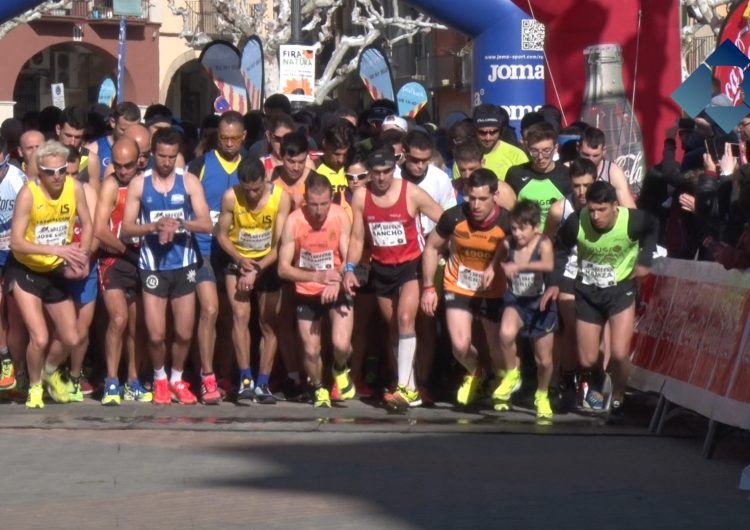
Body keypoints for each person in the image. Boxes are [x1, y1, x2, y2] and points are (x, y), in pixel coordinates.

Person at [343, 147, 443, 409]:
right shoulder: (361, 197)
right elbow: (356, 237)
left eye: (386, 172)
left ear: (393, 170)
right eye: (376, 173)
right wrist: (350, 268)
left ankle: (403, 387)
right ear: (369, 174)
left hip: (411, 265)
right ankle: (409, 386)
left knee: (406, 318)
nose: (381, 178)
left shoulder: (411, 192)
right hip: (382, 267)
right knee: (395, 329)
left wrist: (435, 249)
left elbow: (445, 220)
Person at [120, 127, 212, 405]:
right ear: (152, 155)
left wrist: (181, 223)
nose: (167, 162)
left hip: (183, 264)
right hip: (152, 267)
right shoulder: (139, 183)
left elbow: (207, 224)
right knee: (156, 333)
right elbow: (126, 230)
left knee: (184, 332)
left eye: (172, 157)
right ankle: (159, 378)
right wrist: (153, 226)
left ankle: (176, 378)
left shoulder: (189, 182)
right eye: (161, 156)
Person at [553, 181, 658, 424]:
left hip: (620, 291)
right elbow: (560, 248)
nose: (596, 216)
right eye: (592, 210)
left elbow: (653, 225)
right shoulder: (577, 222)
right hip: (588, 292)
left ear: (615, 206)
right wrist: (555, 281)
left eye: (602, 210)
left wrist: (645, 257)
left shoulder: (632, 220)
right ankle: (600, 387)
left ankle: (619, 400)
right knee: (588, 360)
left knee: (620, 354)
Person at [8, 140, 93, 409]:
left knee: (71, 336)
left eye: (62, 171)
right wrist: (56, 248)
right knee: (40, 337)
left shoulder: (75, 187)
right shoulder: (28, 194)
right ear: (39, 172)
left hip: (56, 269)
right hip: (26, 270)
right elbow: (16, 242)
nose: (57, 177)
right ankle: (33, 386)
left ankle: (48, 371)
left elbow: (88, 224)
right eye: (49, 171)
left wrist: (83, 255)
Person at [420, 168, 511, 406]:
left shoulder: (508, 220)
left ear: (495, 196)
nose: (476, 205)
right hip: (458, 285)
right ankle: (476, 372)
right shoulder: (454, 217)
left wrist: (498, 267)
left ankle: (500, 385)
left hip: (494, 290)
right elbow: (431, 248)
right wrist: (428, 286)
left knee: (496, 346)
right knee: (460, 347)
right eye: (471, 198)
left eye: (482, 199)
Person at [215, 156, 291, 403]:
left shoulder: (280, 198)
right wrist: (239, 261)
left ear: (265, 180)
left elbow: (281, 245)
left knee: (268, 323)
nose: (252, 195)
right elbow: (222, 235)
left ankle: (263, 382)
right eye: (247, 190)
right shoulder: (231, 197)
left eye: (257, 189)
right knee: (240, 317)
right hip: (238, 259)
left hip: (266, 261)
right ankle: (245, 378)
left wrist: (257, 269)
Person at [278, 172, 355, 408]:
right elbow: (283, 269)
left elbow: (349, 257)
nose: (319, 211)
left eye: (324, 204)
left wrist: (335, 280)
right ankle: (317, 386)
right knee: (311, 350)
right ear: (305, 199)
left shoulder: (340, 216)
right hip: (307, 289)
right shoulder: (294, 221)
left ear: (331, 199)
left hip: (337, 286)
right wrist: (317, 277)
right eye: (314, 205)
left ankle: (340, 367)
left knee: (341, 345)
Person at [186, 110, 245, 404]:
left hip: (236, 253)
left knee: (232, 317)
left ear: (244, 137)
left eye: (235, 138)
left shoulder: (250, 166)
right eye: (225, 138)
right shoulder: (200, 166)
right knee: (209, 311)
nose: (230, 143)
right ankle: (206, 377)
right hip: (204, 250)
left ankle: (226, 373)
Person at [94, 137, 151, 405]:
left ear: (139, 160)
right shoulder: (110, 185)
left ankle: (133, 380)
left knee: (136, 325)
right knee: (118, 319)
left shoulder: (146, 183)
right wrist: (124, 250)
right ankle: (111, 381)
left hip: (144, 258)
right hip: (114, 259)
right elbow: (99, 229)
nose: (123, 171)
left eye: (128, 165)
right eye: (117, 165)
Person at [543, 158, 598, 408]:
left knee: (596, 333)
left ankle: (592, 379)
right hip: (568, 271)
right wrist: (549, 278)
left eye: (587, 185)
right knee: (571, 326)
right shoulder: (559, 209)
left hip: (598, 274)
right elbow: (546, 242)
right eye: (577, 186)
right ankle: (567, 378)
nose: (582, 192)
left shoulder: (608, 204)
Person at [495, 200, 557, 421]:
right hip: (517, 301)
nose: (518, 233)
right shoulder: (508, 244)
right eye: (514, 228)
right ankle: (512, 373)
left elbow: (548, 265)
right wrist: (491, 270)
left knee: (544, 360)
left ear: (535, 227)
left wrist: (520, 266)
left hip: (540, 304)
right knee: (505, 333)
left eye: (523, 228)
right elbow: (498, 258)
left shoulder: (543, 244)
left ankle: (542, 394)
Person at [506, 122, 570, 227]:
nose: (540, 157)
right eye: (534, 151)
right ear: (527, 147)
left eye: (546, 151)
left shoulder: (567, 175)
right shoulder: (515, 174)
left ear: (556, 148)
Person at [0, 138, 27, 391]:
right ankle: (4, 356)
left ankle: (20, 368)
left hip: (14, 249)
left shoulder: (18, 181)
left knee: (14, 309)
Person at [577, 127, 636, 208]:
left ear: (604, 150)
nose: (591, 159)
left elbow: (630, 210)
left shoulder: (613, 172)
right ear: (578, 148)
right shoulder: (568, 169)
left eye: (595, 155)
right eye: (586, 155)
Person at [453, 140, 516, 209]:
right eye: (462, 170)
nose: (467, 175)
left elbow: (515, 218)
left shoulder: (502, 191)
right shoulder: (452, 189)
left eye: (472, 169)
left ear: (483, 162)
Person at [472, 104, 528, 181]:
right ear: (475, 131)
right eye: (482, 132)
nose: (488, 138)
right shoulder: (465, 157)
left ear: (500, 130)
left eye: (493, 132)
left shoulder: (516, 155)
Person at [85, 101, 141, 178]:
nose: (128, 135)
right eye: (123, 130)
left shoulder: (143, 151)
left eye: (133, 131)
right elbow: (81, 183)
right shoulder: (90, 150)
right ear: (113, 122)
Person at [55, 106, 101, 189]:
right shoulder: (43, 156)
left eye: (77, 137)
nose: (72, 142)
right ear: (58, 129)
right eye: (68, 136)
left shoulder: (89, 160)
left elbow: (94, 197)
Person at [315, 122, 352, 196]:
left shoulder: (352, 168)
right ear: (324, 143)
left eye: (345, 154)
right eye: (336, 154)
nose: (341, 160)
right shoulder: (313, 168)